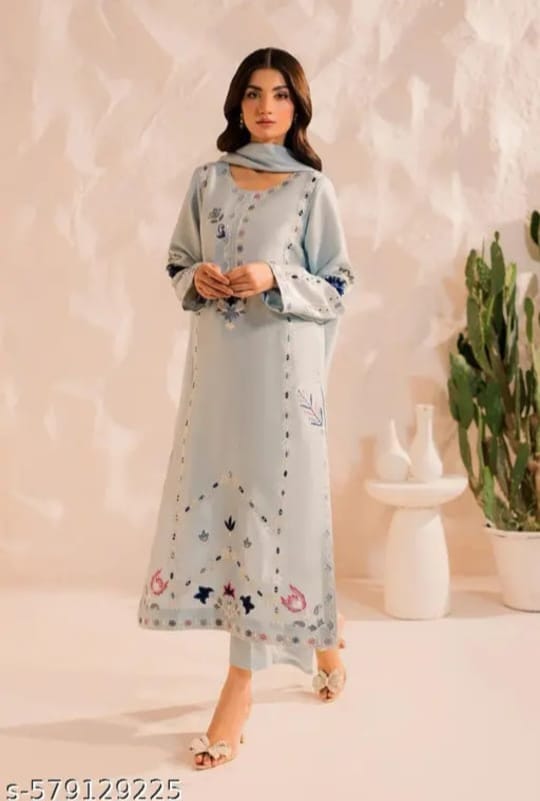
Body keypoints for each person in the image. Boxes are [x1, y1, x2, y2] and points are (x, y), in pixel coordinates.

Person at [137, 46, 355, 770]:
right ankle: (324, 637)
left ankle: (240, 687)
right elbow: (177, 261)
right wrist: (197, 276)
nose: (266, 106)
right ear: (237, 103)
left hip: (284, 387)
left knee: (278, 514)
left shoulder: (311, 190)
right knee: (236, 513)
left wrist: (274, 275)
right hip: (219, 382)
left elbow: (339, 285)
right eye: (255, 93)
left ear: (298, 107)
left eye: (281, 94)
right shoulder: (207, 182)